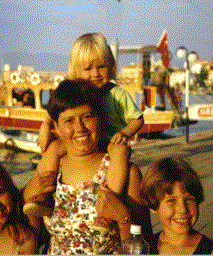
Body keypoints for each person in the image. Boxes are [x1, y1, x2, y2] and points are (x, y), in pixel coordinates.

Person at [24, 32, 144, 225]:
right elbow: (57, 110)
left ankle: (107, 204)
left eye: (101, 66)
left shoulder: (116, 94)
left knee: (121, 152)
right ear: (76, 70)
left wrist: (123, 134)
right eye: (87, 69)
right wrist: (46, 125)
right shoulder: (76, 92)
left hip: (109, 140)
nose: (95, 74)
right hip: (87, 137)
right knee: (55, 149)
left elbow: (137, 119)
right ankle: (45, 194)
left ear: (110, 66)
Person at [23, 79, 152, 254]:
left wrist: (123, 217)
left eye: (87, 117)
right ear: (56, 127)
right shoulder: (53, 168)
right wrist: (29, 191)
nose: (80, 128)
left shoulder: (125, 172)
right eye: (69, 121)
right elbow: (32, 233)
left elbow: (143, 246)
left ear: (99, 118)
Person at [140, 157, 213, 254]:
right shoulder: (145, 248)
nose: (183, 209)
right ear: (153, 205)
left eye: (189, 199)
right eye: (171, 200)